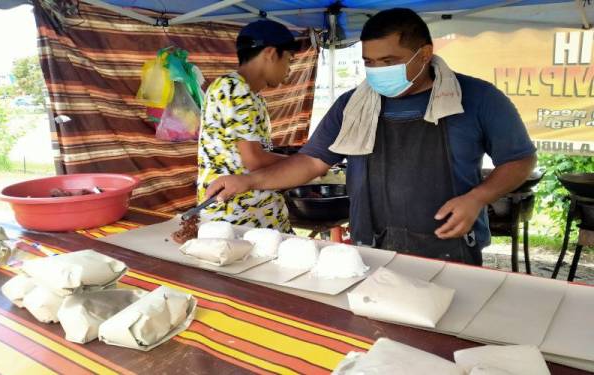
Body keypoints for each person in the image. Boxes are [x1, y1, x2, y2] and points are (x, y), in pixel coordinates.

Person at [204, 8, 537, 265]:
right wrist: (249, 182)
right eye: (369, 62)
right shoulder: (352, 104)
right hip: (370, 248)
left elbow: (520, 159)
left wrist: (477, 198)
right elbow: (310, 162)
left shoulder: (477, 98)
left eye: (388, 61)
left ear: (424, 54)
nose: (377, 70)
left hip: (450, 251)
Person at [197, 19, 300, 232]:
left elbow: (260, 152)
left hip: (258, 212)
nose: (289, 70)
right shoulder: (232, 87)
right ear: (271, 53)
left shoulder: (253, 96)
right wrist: (304, 165)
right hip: (236, 216)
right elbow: (255, 159)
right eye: (289, 60)